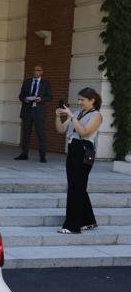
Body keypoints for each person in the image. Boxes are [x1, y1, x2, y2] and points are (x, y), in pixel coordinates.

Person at [55, 87, 102, 234]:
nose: (80, 102)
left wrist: (72, 117)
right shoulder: (76, 113)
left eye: (83, 100)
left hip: (84, 151)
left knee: (76, 188)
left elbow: (84, 133)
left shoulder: (97, 115)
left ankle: (72, 225)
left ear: (92, 100)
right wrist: (58, 116)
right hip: (73, 150)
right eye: (79, 99)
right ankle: (89, 221)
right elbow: (61, 130)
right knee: (77, 186)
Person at [15, 65, 52, 162]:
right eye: (35, 70)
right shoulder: (27, 82)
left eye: (38, 70)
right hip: (27, 111)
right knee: (25, 134)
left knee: (41, 134)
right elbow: (21, 95)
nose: (36, 72)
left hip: (39, 111)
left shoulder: (46, 83)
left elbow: (49, 96)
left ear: (42, 72)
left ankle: (42, 156)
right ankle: (24, 154)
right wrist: (25, 99)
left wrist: (41, 99)